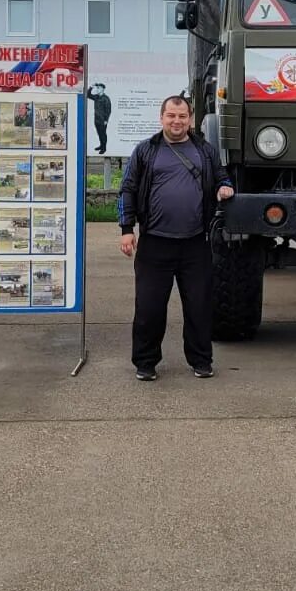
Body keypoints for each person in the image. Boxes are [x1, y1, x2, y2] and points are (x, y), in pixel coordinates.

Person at [119, 96, 233, 381]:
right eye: (171, 115)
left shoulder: (205, 151)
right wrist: (126, 229)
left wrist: (225, 187)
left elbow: (222, 177)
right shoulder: (146, 150)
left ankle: (201, 361)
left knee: (199, 306)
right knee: (149, 308)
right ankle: (145, 363)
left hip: (195, 243)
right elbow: (128, 189)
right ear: (161, 118)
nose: (176, 121)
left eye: (182, 116)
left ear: (190, 119)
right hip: (155, 243)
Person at [86, 83, 112, 154]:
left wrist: (106, 120)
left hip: (102, 120)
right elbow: (88, 95)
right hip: (96, 119)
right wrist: (91, 87)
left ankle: (104, 148)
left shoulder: (106, 98)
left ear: (103, 89)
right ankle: (101, 145)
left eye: (99, 88)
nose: (97, 89)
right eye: (97, 88)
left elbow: (108, 110)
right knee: (99, 134)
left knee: (103, 134)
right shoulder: (96, 97)